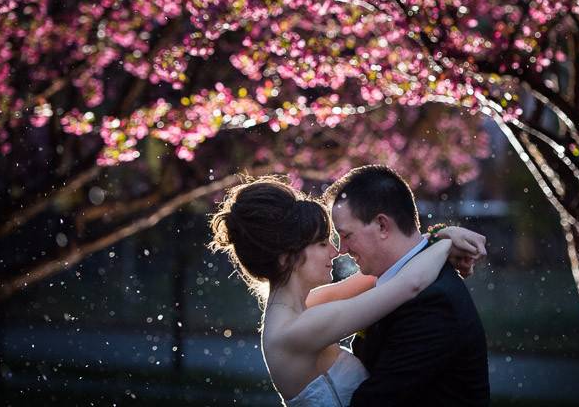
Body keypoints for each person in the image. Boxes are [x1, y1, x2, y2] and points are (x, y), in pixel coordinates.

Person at [208, 174, 486, 406]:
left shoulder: (307, 305)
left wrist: (438, 236)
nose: (336, 250)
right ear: (286, 258)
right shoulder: (297, 329)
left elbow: (388, 274)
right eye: (321, 243)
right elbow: (407, 284)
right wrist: (445, 243)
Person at [325, 165, 490, 406]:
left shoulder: (432, 303)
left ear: (382, 225)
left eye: (347, 235)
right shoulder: (397, 280)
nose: (343, 250)